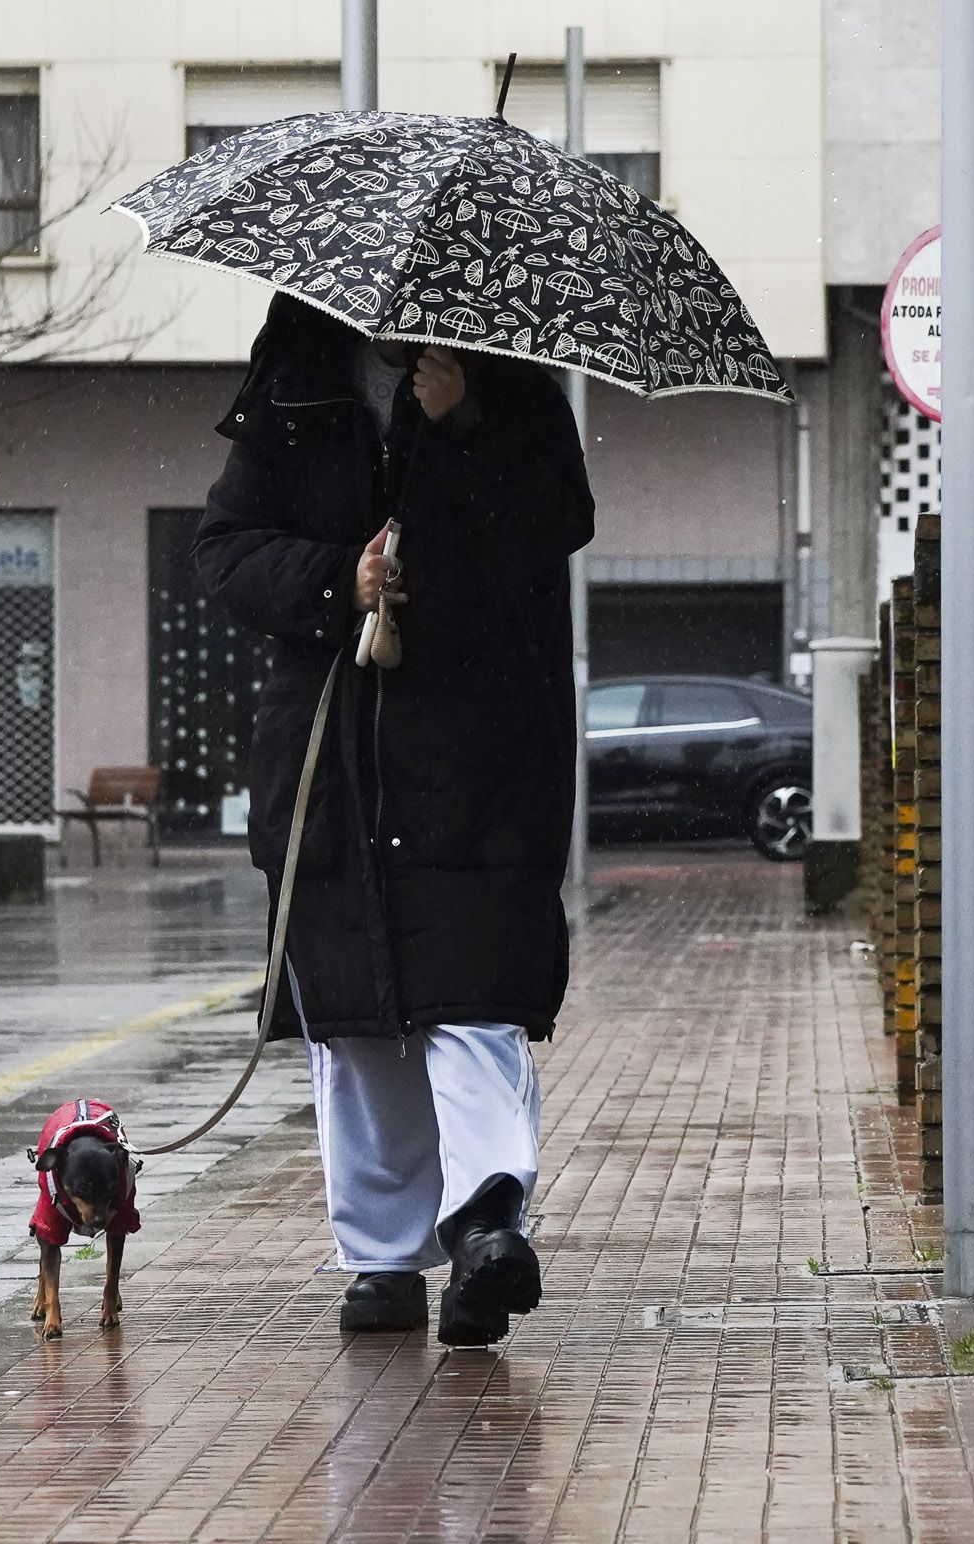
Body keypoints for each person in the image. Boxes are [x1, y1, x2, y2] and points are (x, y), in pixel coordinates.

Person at [195, 295, 593, 1347]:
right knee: (356, 1023)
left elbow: (553, 524)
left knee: (471, 1005)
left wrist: (462, 424)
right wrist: (341, 576)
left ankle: (485, 1224)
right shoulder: (294, 391)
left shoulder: (510, 389)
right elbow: (225, 550)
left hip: (474, 760)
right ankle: (380, 1256)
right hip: (332, 765)